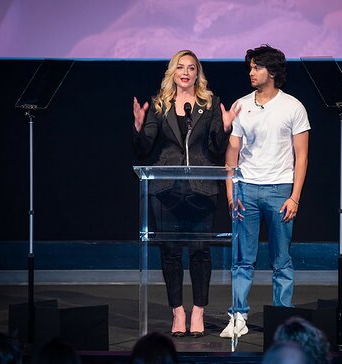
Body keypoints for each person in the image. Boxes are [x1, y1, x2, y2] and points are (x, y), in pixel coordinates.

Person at [133, 50, 239, 337]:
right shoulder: (160, 104)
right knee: (169, 252)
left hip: (202, 189)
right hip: (166, 189)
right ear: (173, 72)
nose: (186, 72)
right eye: (181, 67)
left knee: (200, 253)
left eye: (192, 68)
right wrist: (140, 127)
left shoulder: (211, 103)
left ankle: (198, 313)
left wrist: (226, 127)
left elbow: (216, 149)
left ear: (197, 74)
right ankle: (177, 313)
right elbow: (146, 148)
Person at [220, 44, 310, 338]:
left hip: (280, 189)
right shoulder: (241, 105)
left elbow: (302, 155)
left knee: (281, 260)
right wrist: (232, 192)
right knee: (242, 259)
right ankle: (238, 316)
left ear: (272, 71)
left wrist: (294, 196)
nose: (251, 72)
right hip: (246, 189)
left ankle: (282, 319)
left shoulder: (293, 106)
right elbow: (232, 151)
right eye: (250, 67)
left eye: (256, 67)